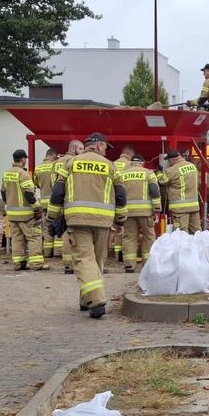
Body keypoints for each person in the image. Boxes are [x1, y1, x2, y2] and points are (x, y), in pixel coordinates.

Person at [47, 133, 127, 318]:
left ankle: (93, 299)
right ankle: (91, 301)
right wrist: (120, 221)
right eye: (105, 147)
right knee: (96, 261)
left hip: (78, 219)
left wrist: (52, 217)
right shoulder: (111, 166)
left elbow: (58, 192)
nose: (106, 150)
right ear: (98, 146)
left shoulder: (71, 163)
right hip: (103, 222)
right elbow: (121, 196)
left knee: (85, 260)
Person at [1, 149, 49, 271]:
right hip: (26, 215)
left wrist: (8, 204)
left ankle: (18, 264)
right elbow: (29, 194)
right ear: (23, 160)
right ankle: (36, 264)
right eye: (25, 159)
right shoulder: (23, 174)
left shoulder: (7, 173)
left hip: (12, 214)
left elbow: (3, 192)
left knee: (17, 239)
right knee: (34, 237)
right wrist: (37, 207)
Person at [121, 154, 162, 272]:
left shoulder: (123, 174)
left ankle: (129, 265)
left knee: (129, 237)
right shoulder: (148, 173)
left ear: (131, 163)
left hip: (128, 212)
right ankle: (147, 264)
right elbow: (154, 191)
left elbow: (118, 193)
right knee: (148, 237)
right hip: (146, 212)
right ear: (142, 163)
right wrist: (157, 209)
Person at [54, 139, 85, 272]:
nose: (83, 152)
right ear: (73, 149)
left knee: (67, 233)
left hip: (63, 202)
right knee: (76, 234)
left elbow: (55, 184)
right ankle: (75, 263)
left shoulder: (56, 162)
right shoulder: (73, 162)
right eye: (81, 149)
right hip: (72, 201)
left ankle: (67, 263)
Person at [157, 150, 201, 233]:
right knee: (196, 232)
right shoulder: (192, 166)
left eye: (169, 161)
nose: (169, 163)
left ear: (174, 159)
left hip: (180, 209)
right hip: (194, 207)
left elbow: (161, 181)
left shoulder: (172, 170)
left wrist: (159, 172)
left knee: (181, 234)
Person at [33, 148, 58, 258]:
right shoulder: (56, 166)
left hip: (44, 203)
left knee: (47, 227)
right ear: (53, 155)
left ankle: (47, 253)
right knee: (59, 226)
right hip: (55, 202)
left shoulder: (38, 168)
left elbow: (36, 184)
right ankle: (58, 252)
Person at [112, 145, 135, 260]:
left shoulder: (113, 163)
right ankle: (123, 254)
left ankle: (117, 254)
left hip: (111, 198)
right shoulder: (129, 165)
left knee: (115, 226)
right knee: (123, 226)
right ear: (130, 155)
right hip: (123, 197)